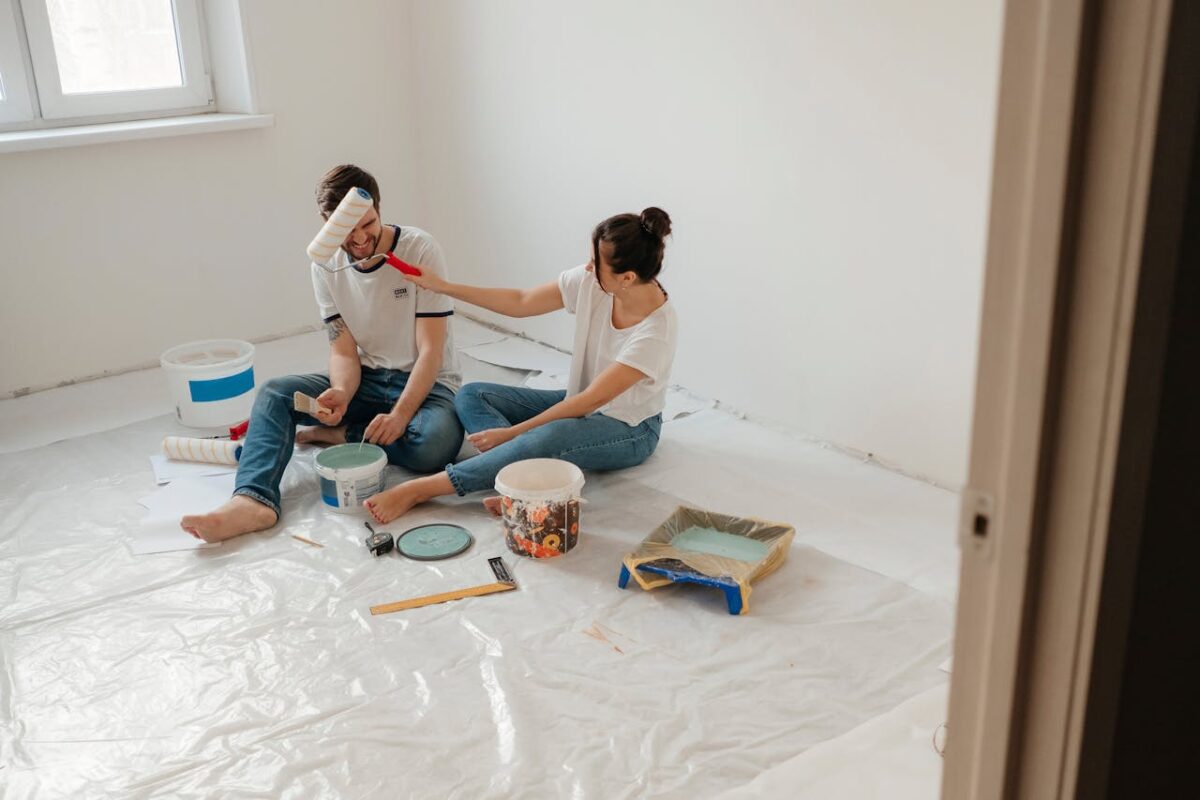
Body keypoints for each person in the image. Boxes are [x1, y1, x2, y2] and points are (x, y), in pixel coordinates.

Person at [181, 164, 464, 541]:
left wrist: (400, 415)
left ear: (379, 208)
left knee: (434, 445)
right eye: (348, 228)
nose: (361, 238)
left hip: (428, 385)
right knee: (275, 393)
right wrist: (343, 393)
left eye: (370, 223)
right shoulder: (324, 264)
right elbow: (344, 351)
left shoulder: (419, 248)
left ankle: (344, 434)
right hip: (369, 378)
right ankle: (253, 500)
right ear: (326, 221)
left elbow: (430, 350)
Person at [363, 207, 677, 524]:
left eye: (596, 265)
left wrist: (512, 433)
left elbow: (590, 400)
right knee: (472, 395)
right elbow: (522, 301)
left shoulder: (655, 332)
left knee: (550, 435)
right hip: (579, 399)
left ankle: (421, 490)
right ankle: (523, 481)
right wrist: (443, 286)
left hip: (630, 429)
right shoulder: (591, 282)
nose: (587, 267)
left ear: (627, 278)